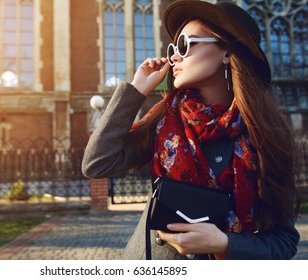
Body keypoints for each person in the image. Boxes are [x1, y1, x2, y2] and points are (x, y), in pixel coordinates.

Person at [82, 0, 300, 260]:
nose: (174, 55)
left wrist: (224, 242)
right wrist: (136, 90)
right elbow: (96, 164)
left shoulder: (265, 136)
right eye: (173, 47)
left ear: (227, 53)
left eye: (186, 45)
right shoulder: (165, 120)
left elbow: (284, 242)